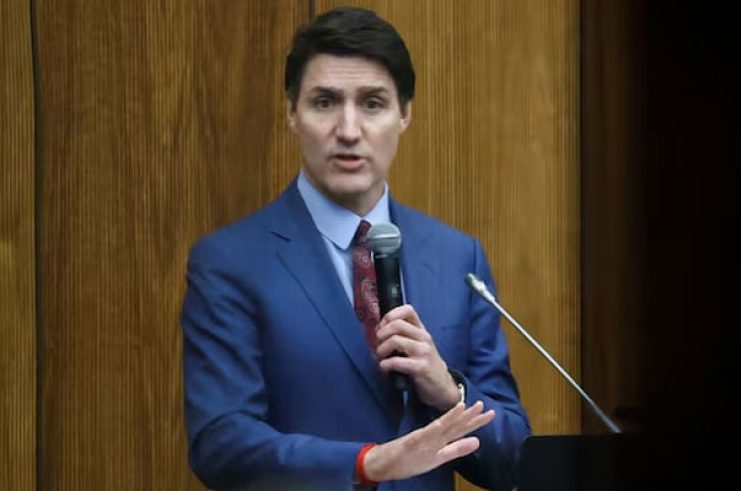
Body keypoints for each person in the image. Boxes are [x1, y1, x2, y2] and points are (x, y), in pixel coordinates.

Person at [181, 7, 530, 490]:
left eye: (372, 103)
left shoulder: (457, 258)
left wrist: (448, 392)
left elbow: (510, 456)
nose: (348, 130)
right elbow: (221, 443)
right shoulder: (229, 263)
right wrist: (368, 463)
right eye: (325, 102)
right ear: (291, 113)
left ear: (404, 114)